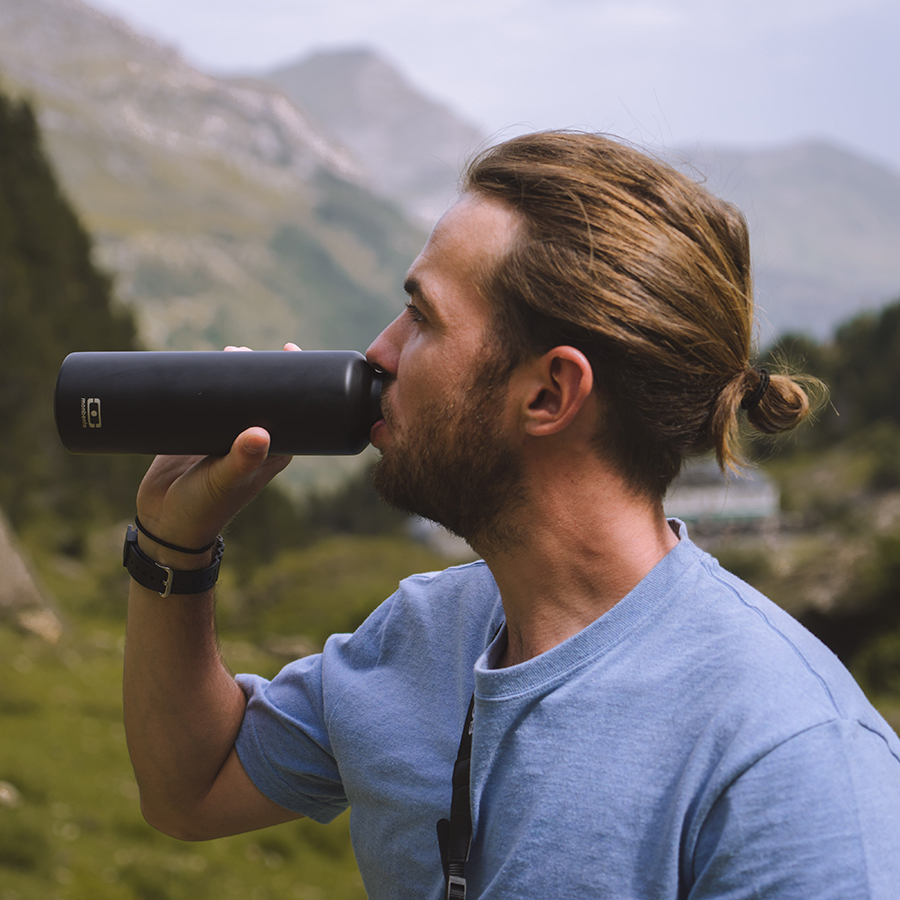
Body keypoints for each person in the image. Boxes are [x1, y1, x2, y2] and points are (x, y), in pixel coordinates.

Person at [122, 131, 900, 899]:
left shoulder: (791, 758)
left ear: (550, 393)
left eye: (422, 317)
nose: (379, 352)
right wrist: (174, 543)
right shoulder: (421, 634)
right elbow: (192, 789)